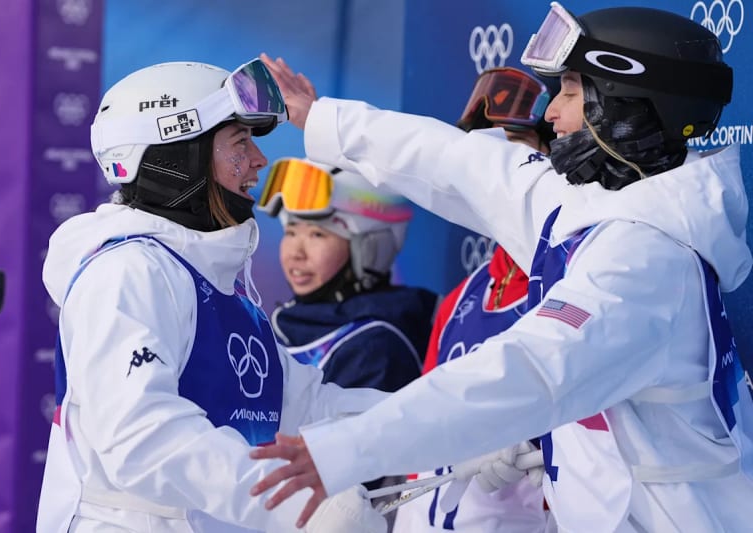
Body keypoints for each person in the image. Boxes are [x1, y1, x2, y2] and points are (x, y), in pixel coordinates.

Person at [250, 4, 753, 532]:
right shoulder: (592, 208)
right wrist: (322, 117)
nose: (552, 113)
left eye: (572, 92)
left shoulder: (644, 264)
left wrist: (345, 450)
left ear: (627, 109)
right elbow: (457, 163)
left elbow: (527, 373)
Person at [36, 59, 391, 533]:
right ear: (178, 159)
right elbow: (141, 437)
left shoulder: (221, 284)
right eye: (240, 143)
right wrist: (298, 506)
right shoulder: (129, 272)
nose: (259, 161)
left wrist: (454, 433)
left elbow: (308, 409)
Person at [392, 66, 557, 533]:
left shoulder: (581, 285)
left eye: (513, 154)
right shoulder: (459, 300)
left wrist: (544, 453)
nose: (493, 175)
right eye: (480, 157)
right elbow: (418, 457)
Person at [260, 158, 437, 392]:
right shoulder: (290, 322)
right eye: (291, 232)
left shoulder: (373, 346)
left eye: (317, 235)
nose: (296, 253)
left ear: (368, 248)